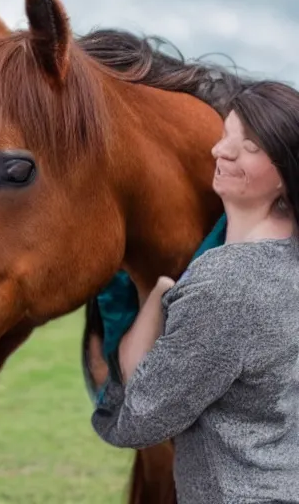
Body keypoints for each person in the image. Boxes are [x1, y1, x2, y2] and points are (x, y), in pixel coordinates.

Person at [91, 80, 299, 504]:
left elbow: (141, 418)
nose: (221, 151)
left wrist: (156, 298)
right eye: (226, 136)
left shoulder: (227, 285)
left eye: (250, 147)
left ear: (287, 170)